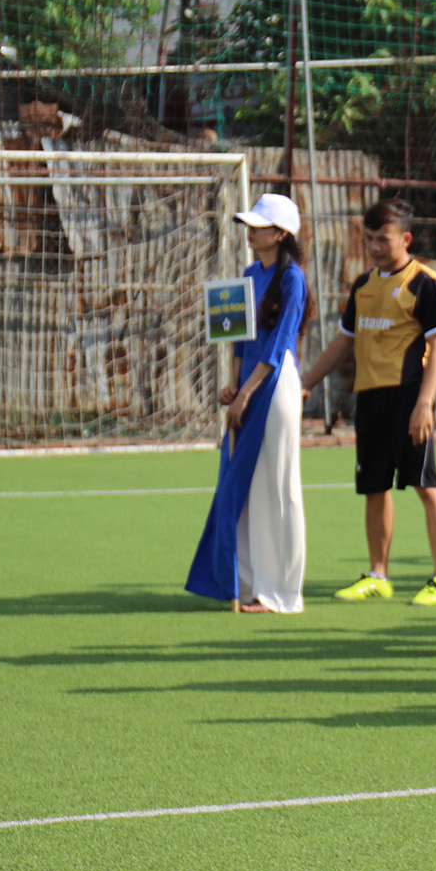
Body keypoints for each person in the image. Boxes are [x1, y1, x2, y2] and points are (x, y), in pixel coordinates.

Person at [301, 199, 436, 606]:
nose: (374, 246)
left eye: (382, 239)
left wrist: (426, 403)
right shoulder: (363, 284)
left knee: (426, 486)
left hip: (409, 398)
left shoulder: (425, 283)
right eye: (368, 238)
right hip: (369, 400)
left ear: (405, 238)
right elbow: (344, 341)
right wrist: (306, 383)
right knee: (374, 488)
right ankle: (378, 574)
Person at [187, 193, 313, 613]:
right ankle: (244, 582)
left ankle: (282, 592)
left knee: (278, 486)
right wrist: (231, 384)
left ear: (281, 234)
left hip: (275, 388)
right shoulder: (247, 273)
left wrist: (245, 392)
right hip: (248, 387)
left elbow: (277, 348)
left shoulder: (292, 278)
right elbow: (239, 339)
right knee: (242, 482)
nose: (250, 231)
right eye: (249, 225)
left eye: (258, 226)